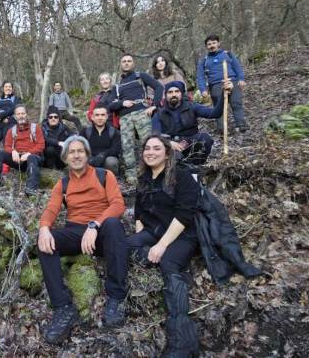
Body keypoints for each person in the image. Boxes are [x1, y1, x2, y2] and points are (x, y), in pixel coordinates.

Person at [37, 135, 129, 344]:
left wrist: (95, 225)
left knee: (114, 225)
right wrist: (44, 228)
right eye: (72, 152)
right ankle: (63, 307)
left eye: (80, 151)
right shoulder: (63, 183)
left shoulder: (104, 175)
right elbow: (52, 209)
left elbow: (117, 205)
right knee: (44, 241)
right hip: (76, 233)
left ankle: (116, 298)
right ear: (65, 158)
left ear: (87, 155)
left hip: (103, 231)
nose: (76, 155)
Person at [127, 135, 202, 357]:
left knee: (168, 263)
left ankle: (183, 341)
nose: (150, 152)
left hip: (181, 235)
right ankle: (151, 256)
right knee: (124, 246)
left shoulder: (182, 177)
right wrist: (140, 227)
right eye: (147, 148)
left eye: (156, 148)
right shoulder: (144, 178)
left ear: (167, 153)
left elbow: (184, 215)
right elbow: (139, 208)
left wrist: (161, 246)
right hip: (152, 231)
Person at [152, 81, 230, 165]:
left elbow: (215, 113)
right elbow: (156, 136)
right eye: (170, 92)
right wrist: (169, 143)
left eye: (177, 91)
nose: (174, 94)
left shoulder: (192, 106)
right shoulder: (159, 114)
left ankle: (196, 166)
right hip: (170, 147)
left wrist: (223, 95)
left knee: (205, 139)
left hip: (190, 143)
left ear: (181, 93)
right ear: (166, 95)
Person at [116, 53, 163, 186]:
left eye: (129, 61)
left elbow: (159, 87)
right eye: (124, 61)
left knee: (148, 143)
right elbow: (114, 102)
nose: (126, 63)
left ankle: (152, 172)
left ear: (133, 63)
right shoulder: (118, 83)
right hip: (124, 117)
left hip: (141, 114)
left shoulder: (140, 76)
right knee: (127, 146)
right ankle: (132, 178)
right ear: (121, 64)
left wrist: (154, 105)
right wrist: (121, 104)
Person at [0, 105, 45, 196]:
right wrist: (13, 151)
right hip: (18, 159)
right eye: (18, 114)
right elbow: (7, 145)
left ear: (26, 114)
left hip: (34, 158)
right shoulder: (12, 130)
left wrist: (29, 153)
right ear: (15, 116)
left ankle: (31, 189)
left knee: (32, 158)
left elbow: (41, 145)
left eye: (23, 113)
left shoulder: (36, 128)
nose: (21, 116)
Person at [196, 34, 249, 132]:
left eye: (214, 43)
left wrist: (241, 79)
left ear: (218, 43)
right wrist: (203, 89)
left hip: (232, 81)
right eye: (209, 44)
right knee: (219, 107)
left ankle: (241, 125)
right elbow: (200, 76)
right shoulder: (204, 60)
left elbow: (237, 66)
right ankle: (221, 129)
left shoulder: (227, 54)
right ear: (206, 47)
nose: (212, 45)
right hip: (216, 85)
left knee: (236, 103)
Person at [82, 106, 122, 176]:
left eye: (103, 115)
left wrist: (103, 155)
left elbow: (116, 150)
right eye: (97, 115)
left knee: (111, 162)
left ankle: (110, 179)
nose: (100, 118)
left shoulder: (114, 132)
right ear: (92, 117)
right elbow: (80, 148)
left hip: (107, 159)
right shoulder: (85, 132)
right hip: (91, 160)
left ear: (107, 117)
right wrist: (91, 158)